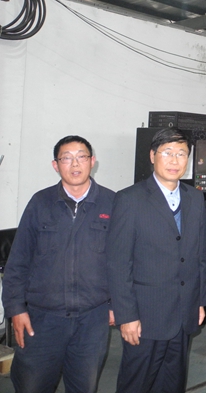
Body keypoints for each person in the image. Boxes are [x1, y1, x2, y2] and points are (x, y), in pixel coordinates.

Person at [2, 135, 115, 393]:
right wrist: (16, 309)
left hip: (92, 320)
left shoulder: (112, 203)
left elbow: (121, 262)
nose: (75, 164)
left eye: (81, 157)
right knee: (31, 386)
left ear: (92, 161)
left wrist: (116, 305)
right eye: (66, 158)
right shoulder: (40, 203)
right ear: (56, 165)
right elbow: (18, 260)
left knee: (84, 387)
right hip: (42, 319)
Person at [107, 127, 206, 393]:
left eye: (181, 153)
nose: (175, 160)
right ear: (152, 156)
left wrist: (199, 301)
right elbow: (118, 264)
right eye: (167, 152)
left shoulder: (195, 198)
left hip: (183, 313)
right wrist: (126, 316)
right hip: (145, 317)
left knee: (172, 384)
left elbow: (200, 256)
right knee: (136, 384)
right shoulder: (129, 199)